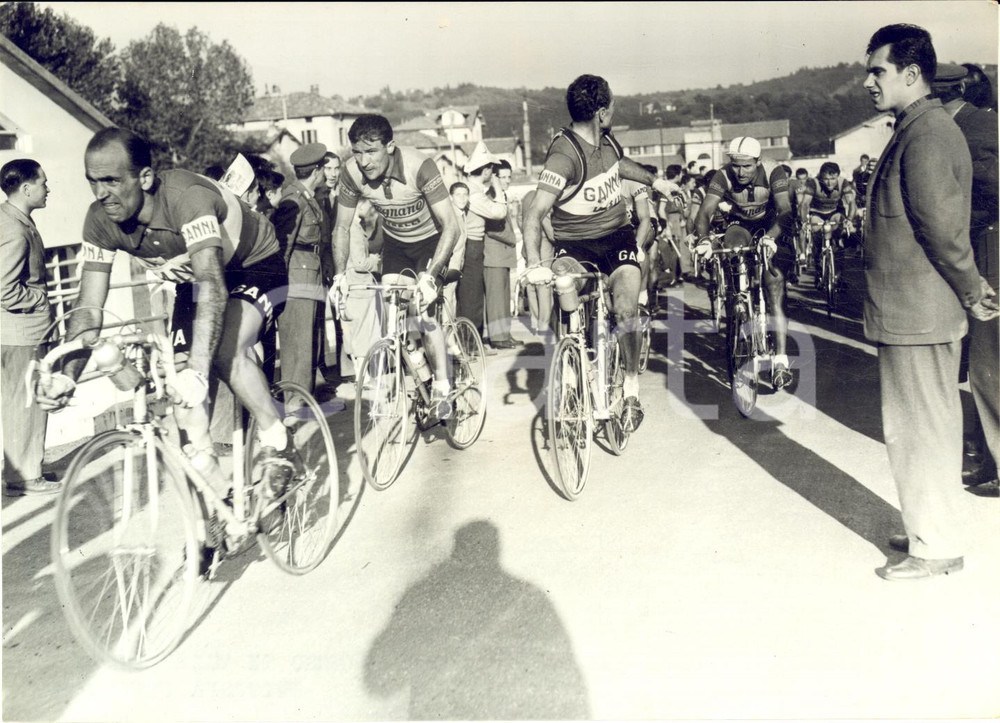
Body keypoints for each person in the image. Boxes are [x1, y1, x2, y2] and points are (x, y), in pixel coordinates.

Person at [34, 127, 294, 491]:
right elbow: (89, 309)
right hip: (196, 279)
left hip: (255, 265)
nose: (100, 193)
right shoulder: (99, 219)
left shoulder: (186, 198)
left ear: (144, 178)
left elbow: (213, 286)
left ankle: (278, 441)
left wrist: (200, 370)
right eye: (92, 181)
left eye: (111, 181)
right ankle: (218, 496)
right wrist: (67, 376)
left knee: (222, 352)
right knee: (180, 384)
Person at [861, 25, 997, 580]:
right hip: (910, 310)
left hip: (917, 311)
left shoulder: (927, 135)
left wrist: (972, 289)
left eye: (878, 70)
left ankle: (935, 545)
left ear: (911, 73)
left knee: (920, 430)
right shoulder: (919, 128)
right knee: (920, 427)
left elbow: (943, 230)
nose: (869, 81)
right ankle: (926, 525)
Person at [522, 74, 682, 432]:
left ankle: (631, 390)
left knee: (625, 308)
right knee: (563, 286)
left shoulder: (606, 138)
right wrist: (533, 264)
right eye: (612, 106)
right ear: (601, 112)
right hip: (576, 245)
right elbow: (534, 213)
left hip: (617, 239)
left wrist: (655, 181)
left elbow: (618, 163)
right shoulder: (563, 156)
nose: (613, 111)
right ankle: (572, 368)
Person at [332, 114, 460, 407]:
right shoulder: (351, 172)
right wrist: (339, 276)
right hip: (397, 245)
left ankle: (443, 387)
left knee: (424, 314)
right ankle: (420, 368)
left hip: (431, 241)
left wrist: (431, 276)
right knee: (393, 309)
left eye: (371, 151)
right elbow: (341, 227)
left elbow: (451, 226)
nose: (364, 161)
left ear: (390, 146)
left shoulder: (419, 166)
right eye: (357, 152)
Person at [933, 62, 1000, 493]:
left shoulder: (974, 128)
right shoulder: (969, 124)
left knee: (989, 359)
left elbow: (994, 188)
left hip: (990, 244)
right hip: (982, 244)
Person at [693, 136, 795, 390]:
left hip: (771, 224)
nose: (740, 172)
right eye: (736, 166)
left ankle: (780, 361)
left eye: (747, 166)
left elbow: (785, 210)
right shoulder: (722, 175)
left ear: (757, 162)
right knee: (733, 249)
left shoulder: (773, 171)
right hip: (740, 225)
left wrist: (771, 238)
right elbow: (705, 211)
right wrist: (704, 239)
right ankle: (739, 306)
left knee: (773, 285)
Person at [1, 159, 61, 496]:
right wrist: (40, 300)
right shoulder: (14, 229)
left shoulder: (8, 218)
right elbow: (5, 290)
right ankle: (24, 477)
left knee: (19, 401)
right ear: (26, 189)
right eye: (43, 183)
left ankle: (23, 469)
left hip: (13, 333)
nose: (47, 189)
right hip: (23, 333)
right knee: (27, 401)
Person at [272, 142, 336, 403]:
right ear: (317, 171)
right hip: (296, 280)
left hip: (311, 275)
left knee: (312, 339)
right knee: (298, 343)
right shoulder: (294, 201)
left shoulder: (309, 198)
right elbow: (283, 246)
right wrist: (279, 285)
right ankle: (294, 401)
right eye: (323, 169)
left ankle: (307, 395)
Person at [483, 158, 521, 350]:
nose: (507, 181)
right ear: (494, 178)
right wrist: (513, 238)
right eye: (503, 177)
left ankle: (505, 334)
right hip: (493, 255)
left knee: (504, 298)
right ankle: (498, 337)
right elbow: (491, 228)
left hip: (502, 256)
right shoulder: (490, 197)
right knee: (497, 299)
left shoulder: (501, 196)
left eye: (509, 177)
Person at [798, 161, 857, 280]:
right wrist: (804, 221)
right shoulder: (813, 183)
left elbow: (851, 202)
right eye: (826, 179)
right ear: (821, 177)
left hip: (835, 212)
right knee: (817, 240)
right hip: (817, 212)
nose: (829, 183)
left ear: (838, 176)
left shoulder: (843, 182)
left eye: (833, 179)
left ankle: (840, 274)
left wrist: (850, 219)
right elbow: (804, 204)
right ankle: (818, 269)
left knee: (838, 241)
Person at [519, 188, 554, 334]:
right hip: (543, 246)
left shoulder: (527, 196)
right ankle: (544, 324)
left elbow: (520, 221)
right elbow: (549, 228)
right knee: (544, 284)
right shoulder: (542, 197)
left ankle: (534, 321)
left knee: (531, 284)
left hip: (527, 246)